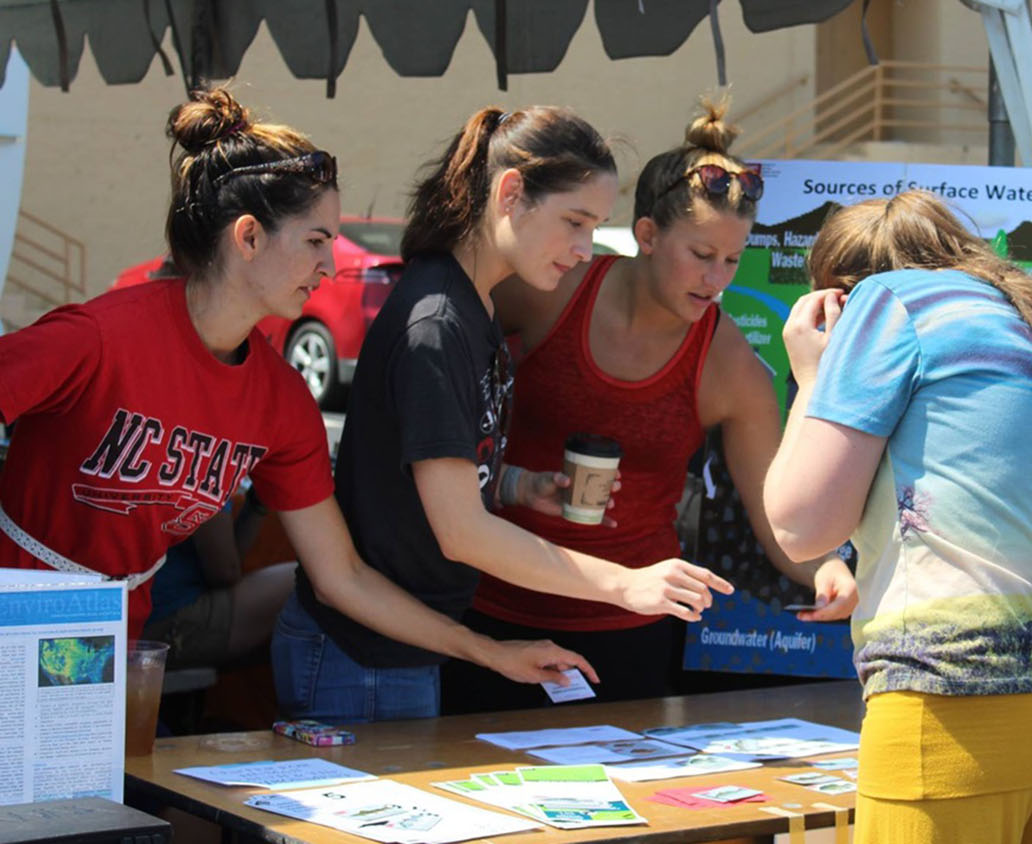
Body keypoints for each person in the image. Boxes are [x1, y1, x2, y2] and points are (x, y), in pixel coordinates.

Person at [0, 87, 595, 704]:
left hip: (113, 647)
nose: (331, 266)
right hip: (15, 625)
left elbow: (342, 577)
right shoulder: (97, 339)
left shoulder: (282, 401)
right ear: (249, 237)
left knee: (79, 803)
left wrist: (488, 651)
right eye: (315, 240)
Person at [276, 105, 736, 722]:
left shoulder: (474, 304)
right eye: (574, 222)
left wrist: (518, 485)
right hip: (362, 658)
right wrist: (625, 584)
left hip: (403, 645)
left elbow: (418, 472)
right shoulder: (438, 323)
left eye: (594, 227)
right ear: (510, 193)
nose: (583, 249)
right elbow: (461, 532)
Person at [441, 97, 857, 712]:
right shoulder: (552, 291)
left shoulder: (728, 364)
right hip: (491, 613)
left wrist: (826, 568)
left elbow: (777, 514)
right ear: (647, 236)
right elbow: (441, 353)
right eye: (701, 255)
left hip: (629, 633)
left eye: (733, 260)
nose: (717, 279)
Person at [762, 190, 1032, 844]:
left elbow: (801, 527)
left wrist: (812, 380)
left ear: (837, 302)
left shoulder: (885, 303)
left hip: (949, 713)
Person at [142, 484, 295, 668]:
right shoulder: (207, 471)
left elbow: (229, 564)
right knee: (304, 581)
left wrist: (258, 501)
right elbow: (224, 573)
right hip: (163, 623)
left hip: (146, 617)